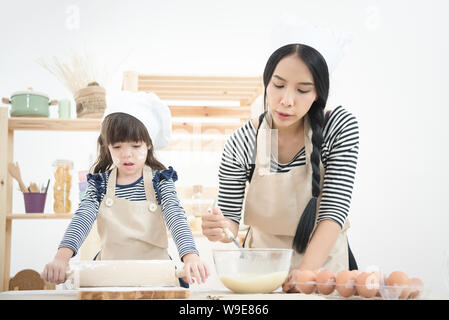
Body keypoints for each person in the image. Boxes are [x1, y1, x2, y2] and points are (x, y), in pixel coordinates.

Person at [201, 43, 359, 292]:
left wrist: (305, 274)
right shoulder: (243, 141)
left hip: (323, 270)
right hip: (262, 273)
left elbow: (333, 210)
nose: (287, 101)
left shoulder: (337, 127)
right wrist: (219, 229)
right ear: (266, 83)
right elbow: (230, 218)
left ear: (318, 93)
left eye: (303, 90)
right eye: (278, 85)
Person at [42, 91, 210, 287]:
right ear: (108, 147)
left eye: (135, 146)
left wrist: (190, 256)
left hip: (155, 275)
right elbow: (83, 217)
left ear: (148, 145)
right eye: (117, 147)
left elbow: (176, 216)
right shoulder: (100, 184)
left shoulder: (160, 180)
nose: (127, 154)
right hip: (110, 274)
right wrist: (62, 257)